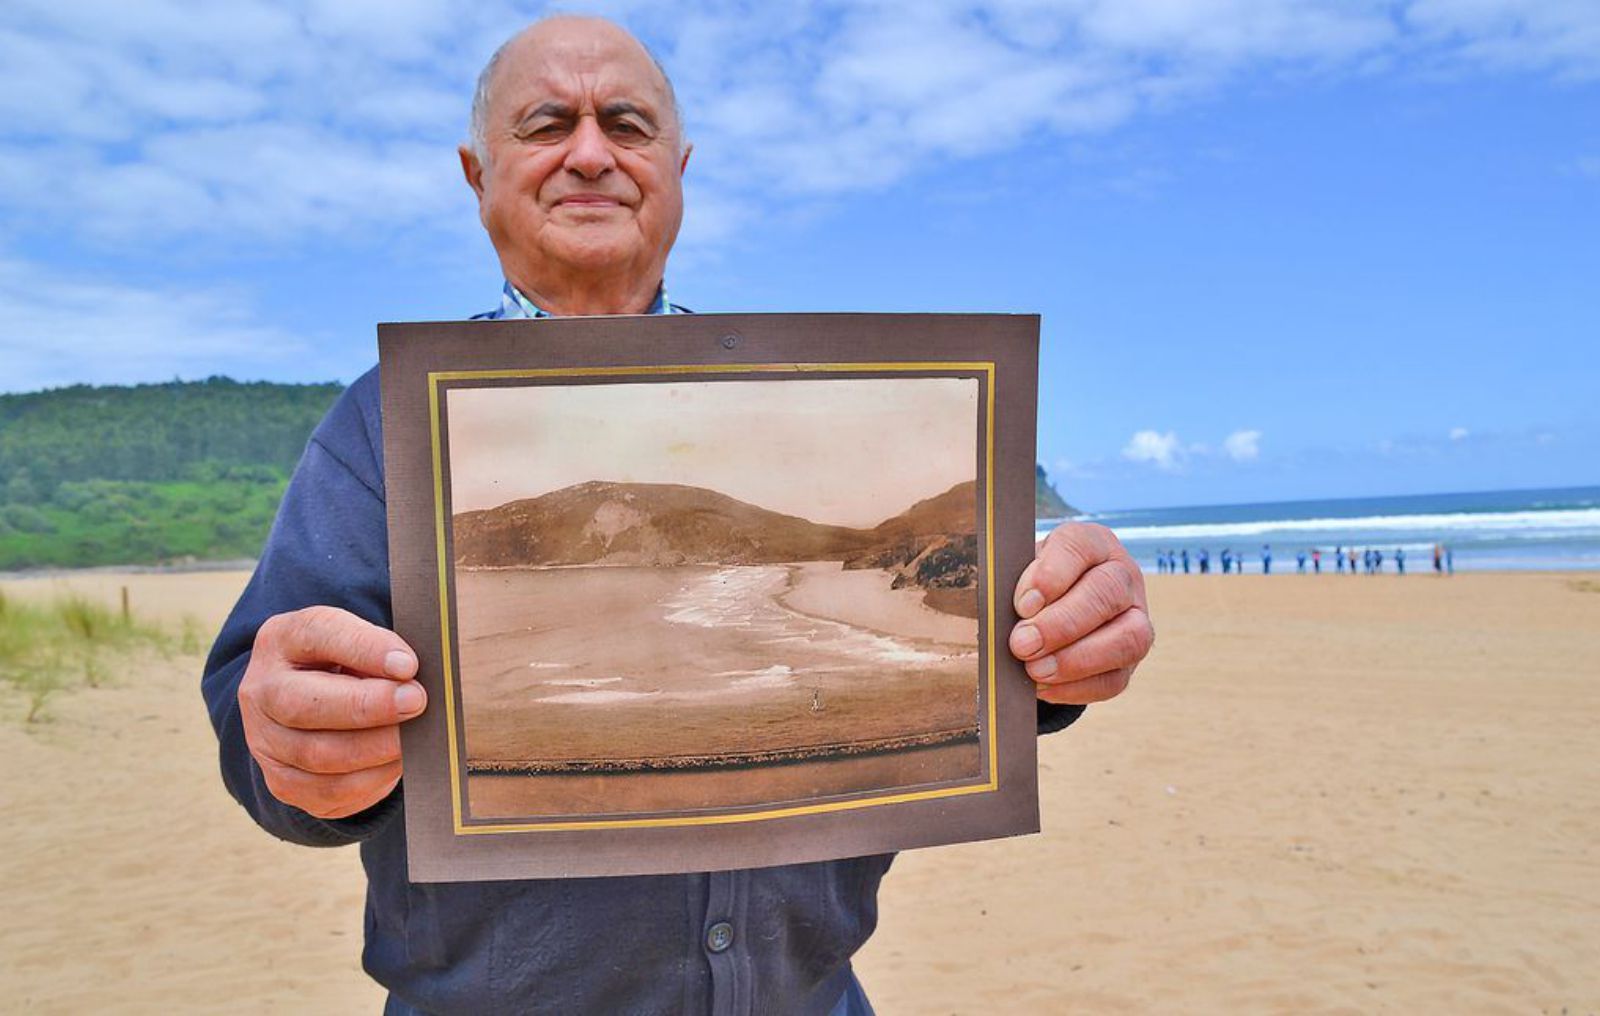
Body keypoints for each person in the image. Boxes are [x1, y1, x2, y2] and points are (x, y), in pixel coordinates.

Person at [199, 17, 1154, 1015]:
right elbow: (256, 722)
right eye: (544, 124)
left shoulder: (815, 398)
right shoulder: (378, 425)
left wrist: (1054, 641)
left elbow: (992, 647)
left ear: (678, 165)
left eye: (625, 122)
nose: (589, 151)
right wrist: (289, 739)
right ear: (475, 172)